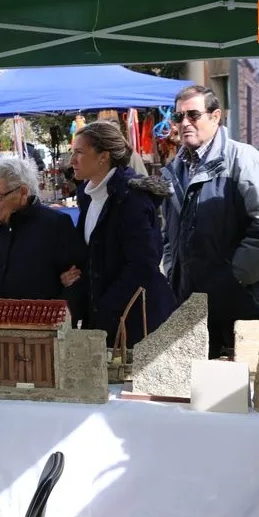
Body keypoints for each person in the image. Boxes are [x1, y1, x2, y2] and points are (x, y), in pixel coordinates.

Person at [161, 85, 259, 359]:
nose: (184, 123)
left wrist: (233, 279)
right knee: (195, 395)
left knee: (245, 396)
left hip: (243, 307)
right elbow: (169, 234)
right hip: (191, 307)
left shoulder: (244, 160)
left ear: (215, 116)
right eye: (178, 116)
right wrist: (174, 273)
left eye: (193, 115)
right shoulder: (174, 170)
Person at [65, 121, 176, 348]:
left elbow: (143, 264)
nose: (72, 161)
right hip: (106, 318)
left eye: (79, 152)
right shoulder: (89, 196)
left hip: (137, 323)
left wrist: (106, 307)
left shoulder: (130, 199)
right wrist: (73, 275)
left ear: (103, 157)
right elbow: (93, 254)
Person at [0, 156, 85, 322]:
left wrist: (65, 313)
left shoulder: (55, 225)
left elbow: (78, 278)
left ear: (23, 192)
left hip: (42, 333)